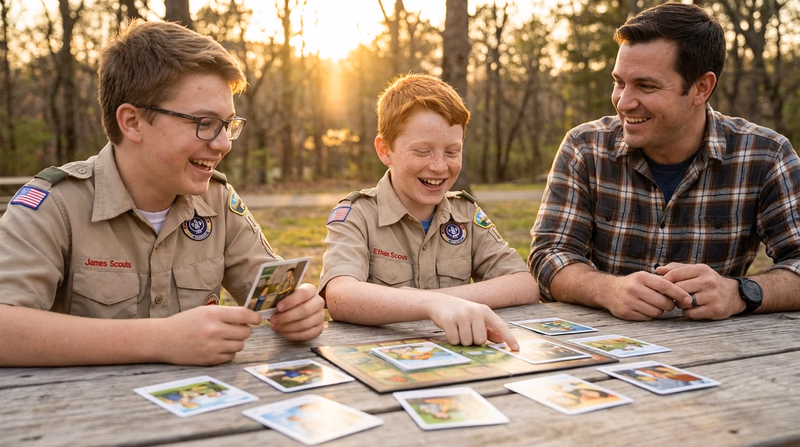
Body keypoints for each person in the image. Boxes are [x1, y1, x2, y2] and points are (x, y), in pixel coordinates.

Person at [0, 19, 325, 367]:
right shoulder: (55, 205)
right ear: (133, 122)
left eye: (228, 125)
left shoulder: (216, 200)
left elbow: (276, 292)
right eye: (204, 123)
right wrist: (161, 339)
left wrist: (301, 308)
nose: (223, 144)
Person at [529, 3, 800, 321]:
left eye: (646, 86)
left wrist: (741, 293)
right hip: (608, 345)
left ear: (701, 88)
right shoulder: (584, 148)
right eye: (619, 82)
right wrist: (608, 290)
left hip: (721, 351)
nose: (624, 102)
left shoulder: (766, 156)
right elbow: (549, 254)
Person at [320, 74, 539, 350]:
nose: (438, 166)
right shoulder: (356, 214)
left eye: (451, 152)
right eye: (423, 151)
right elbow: (340, 296)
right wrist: (432, 304)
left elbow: (524, 285)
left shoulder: (465, 214)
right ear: (385, 150)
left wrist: (447, 299)